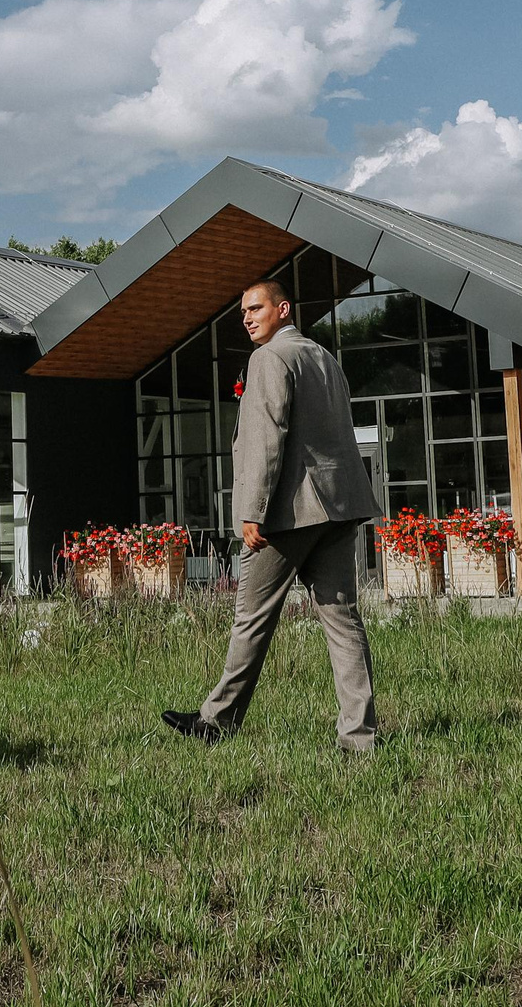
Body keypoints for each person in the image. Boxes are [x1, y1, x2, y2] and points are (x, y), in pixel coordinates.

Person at [162, 277, 383, 752]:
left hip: (288, 513)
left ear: (283, 309)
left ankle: (216, 723)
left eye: (256, 308)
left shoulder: (270, 359)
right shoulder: (325, 359)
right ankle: (360, 737)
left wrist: (251, 512)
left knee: (251, 619)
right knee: (343, 620)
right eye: (243, 311)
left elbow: (266, 442)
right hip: (340, 508)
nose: (247, 318)